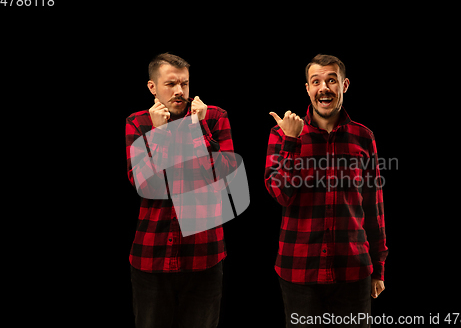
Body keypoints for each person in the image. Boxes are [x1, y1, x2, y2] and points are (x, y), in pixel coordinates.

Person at [265, 54, 388, 327]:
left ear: (344, 85)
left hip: (354, 272)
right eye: (316, 81)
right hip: (299, 272)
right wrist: (291, 142)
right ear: (307, 89)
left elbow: (373, 206)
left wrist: (378, 267)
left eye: (332, 80)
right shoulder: (282, 134)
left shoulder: (364, 137)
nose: (324, 87)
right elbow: (280, 194)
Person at [125, 52, 235, 328]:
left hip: (205, 256)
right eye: (170, 84)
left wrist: (198, 129)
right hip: (152, 257)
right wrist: (160, 133)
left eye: (184, 84)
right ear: (152, 87)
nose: (179, 92)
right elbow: (146, 185)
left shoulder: (214, 118)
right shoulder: (138, 123)